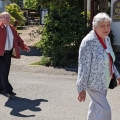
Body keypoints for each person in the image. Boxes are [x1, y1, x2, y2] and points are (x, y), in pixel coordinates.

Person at [76, 12, 120, 120]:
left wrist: (117, 75)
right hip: (94, 83)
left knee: (96, 106)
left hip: (104, 81)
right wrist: (81, 88)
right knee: (105, 110)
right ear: (95, 27)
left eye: (108, 25)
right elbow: (83, 66)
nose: (106, 28)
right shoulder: (88, 42)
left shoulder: (107, 39)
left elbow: (109, 59)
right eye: (102, 26)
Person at [0, 12, 30, 98]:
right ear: (1, 18)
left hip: (7, 53)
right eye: (6, 18)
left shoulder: (11, 28)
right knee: (3, 72)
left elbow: (18, 39)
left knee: (5, 72)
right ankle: (8, 90)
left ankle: (1, 88)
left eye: (9, 18)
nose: (8, 19)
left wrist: (25, 47)